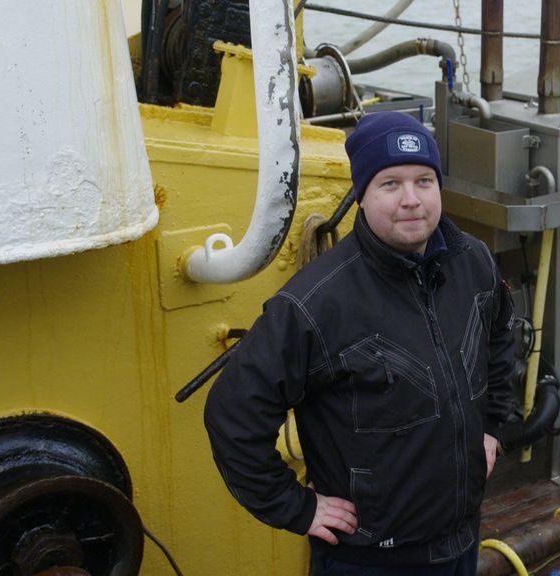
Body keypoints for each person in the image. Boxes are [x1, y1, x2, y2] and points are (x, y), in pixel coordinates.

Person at [204, 111, 517, 575]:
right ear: (362, 197)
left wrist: (492, 426)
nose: (411, 200)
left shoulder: (473, 262)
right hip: (368, 561)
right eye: (390, 184)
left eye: (424, 181)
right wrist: (297, 507)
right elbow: (233, 416)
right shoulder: (313, 305)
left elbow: (498, 339)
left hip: (460, 540)